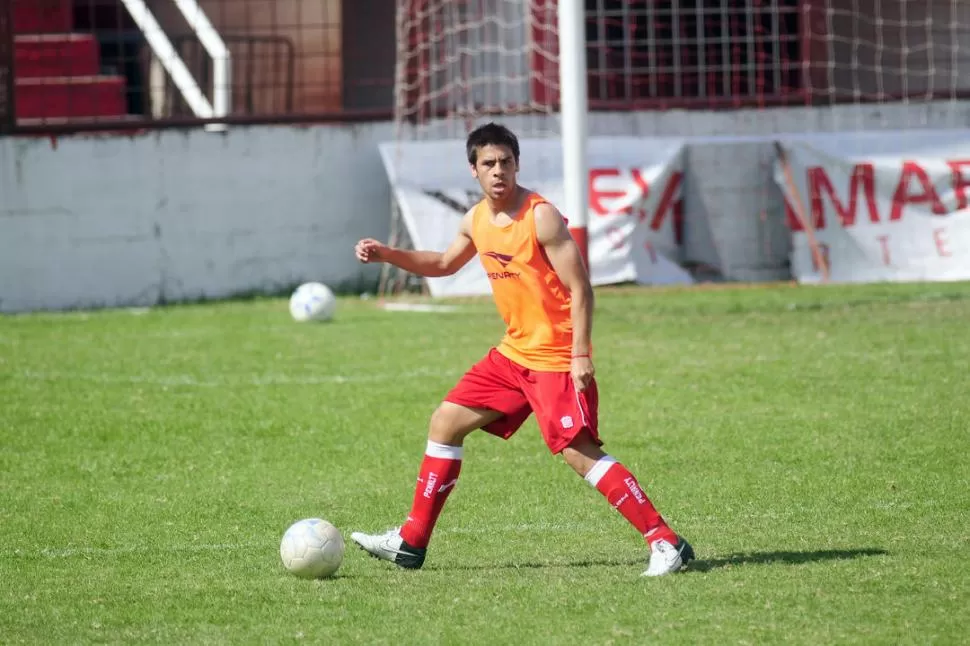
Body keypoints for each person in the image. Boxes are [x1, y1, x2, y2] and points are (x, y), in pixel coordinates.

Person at [351, 122, 693, 577]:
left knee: (579, 452)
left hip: (554, 358)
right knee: (445, 422)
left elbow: (581, 288)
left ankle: (666, 542)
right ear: (473, 170)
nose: (499, 172)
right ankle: (410, 543)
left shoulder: (540, 216)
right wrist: (387, 254)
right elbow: (442, 263)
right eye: (488, 164)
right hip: (513, 356)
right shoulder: (475, 219)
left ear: (517, 165)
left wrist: (580, 355)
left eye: (506, 162)